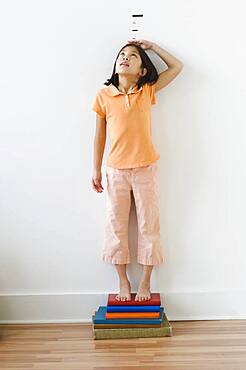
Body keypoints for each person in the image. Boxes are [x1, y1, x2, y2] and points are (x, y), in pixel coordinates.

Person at [91, 39, 183, 302]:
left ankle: (145, 283)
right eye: (122, 54)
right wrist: (96, 169)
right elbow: (99, 136)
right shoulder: (104, 96)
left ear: (143, 70)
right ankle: (123, 281)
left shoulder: (147, 91)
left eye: (133, 56)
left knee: (148, 226)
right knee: (116, 226)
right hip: (116, 171)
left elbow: (177, 67)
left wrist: (152, 47)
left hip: (145, 169)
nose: (125, 57)